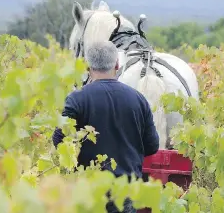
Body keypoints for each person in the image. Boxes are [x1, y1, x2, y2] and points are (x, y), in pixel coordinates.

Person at [52, 40, 160, 213]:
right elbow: (152, 146)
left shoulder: (76, 99)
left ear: (88, 66)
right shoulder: (138, 99)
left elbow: (59, 139)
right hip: (126, 191)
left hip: (89, 190)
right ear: (117, 64)